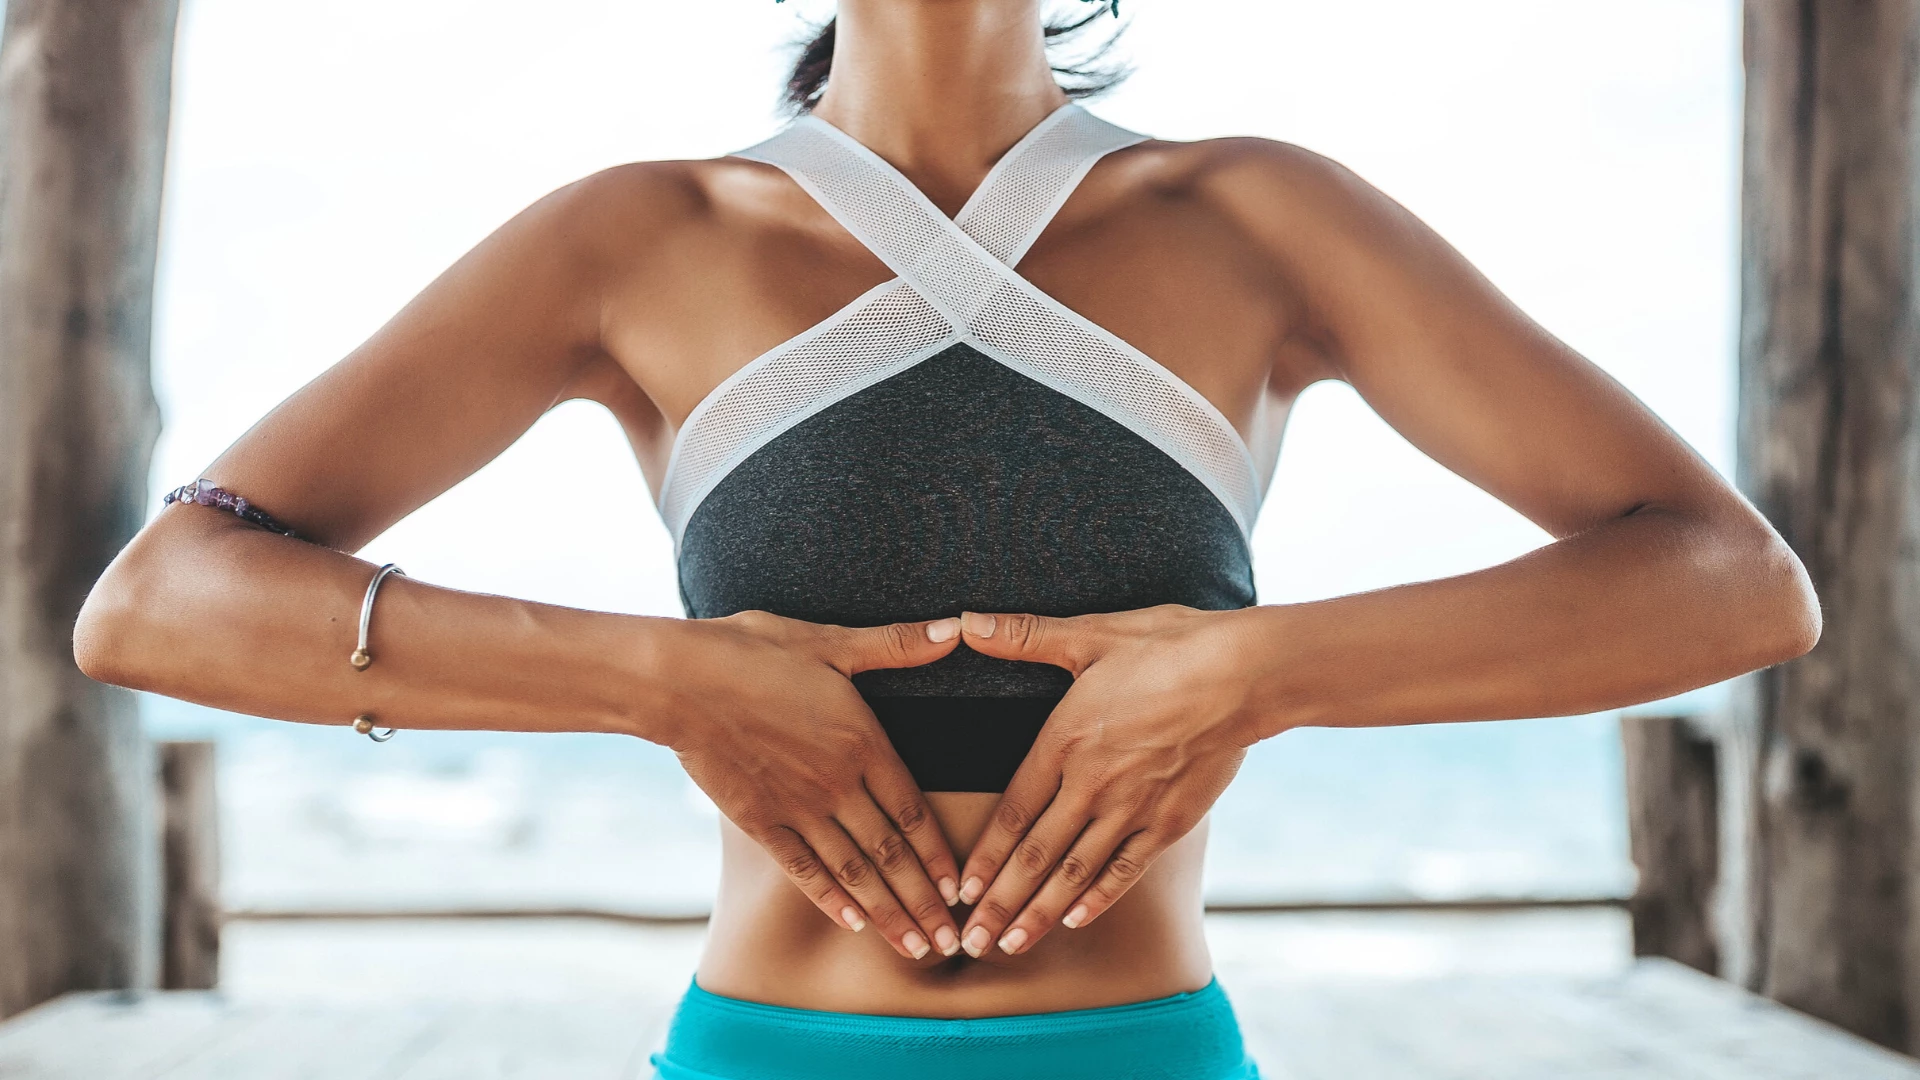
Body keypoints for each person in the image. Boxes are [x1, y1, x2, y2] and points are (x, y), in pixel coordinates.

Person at [74, 2, 1820, 1077]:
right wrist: (665, 686)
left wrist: (1258, 677)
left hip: (1143, 1062)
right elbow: (163, 604)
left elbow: (1729, 583)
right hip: (770, 1060)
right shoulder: (641, 238)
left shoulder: (1256, 219)